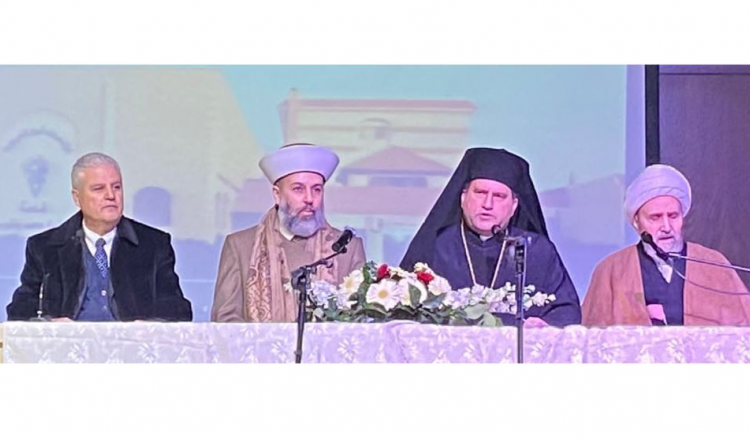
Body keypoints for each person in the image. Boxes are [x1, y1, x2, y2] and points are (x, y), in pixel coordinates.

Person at [400, 147, 581, 327]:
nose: (488, 204)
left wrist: (544, 326)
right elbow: (401, 309)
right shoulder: (435, 245)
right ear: (463, 197)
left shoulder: (536, 249)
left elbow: (566, 310)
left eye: (499, 196)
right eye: (480, 193)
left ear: (514, 206)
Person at [6, 152, 193, 321]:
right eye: (98, 188)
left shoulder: (153, 244)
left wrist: (146, 327)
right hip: (68, 345)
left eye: (117, 187)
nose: (111, 195)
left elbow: (178, 310)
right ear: (77, 198)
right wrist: (50, 325)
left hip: (131, 346)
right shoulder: (45, 247)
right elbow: (20, 311)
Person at [211, 143, 366, 322]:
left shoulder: (346, 249)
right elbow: (225, 321)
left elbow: (361, 321)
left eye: (316, 189)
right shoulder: (240, 246)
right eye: (298, 189)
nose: (309, 199)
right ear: (277, 195)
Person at [582, 164, 750, 326]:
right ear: (637, 222)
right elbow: (591, 335)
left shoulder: (714, 265)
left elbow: (742, 328)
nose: (667, 227)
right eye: (655, 218)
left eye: (673, 216)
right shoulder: (611, 270)